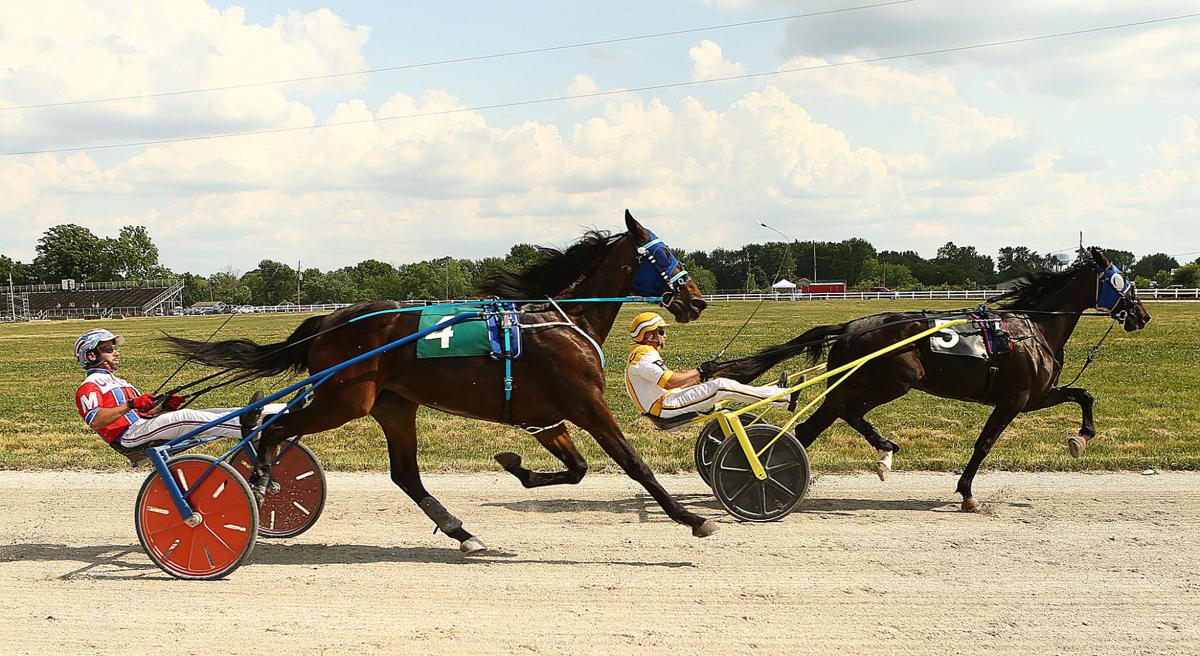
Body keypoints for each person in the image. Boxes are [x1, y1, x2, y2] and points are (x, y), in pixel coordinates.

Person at [72, 328, 270, 460]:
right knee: (185, 417)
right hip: (128, 436)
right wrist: (131, 404)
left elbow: (146, 414)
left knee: (207, 412)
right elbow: (96, 421)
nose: (115, 352)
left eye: (114, 348)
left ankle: (272, 414)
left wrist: (164, 406)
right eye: (108, 349)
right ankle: (250, 426)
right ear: (91, 355)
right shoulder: (88, 387)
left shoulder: (122, 382)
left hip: (141, 427)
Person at [624, 312, 797, 429]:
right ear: (649, 335)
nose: (665, 335)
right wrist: (699, 370)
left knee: (716, 384)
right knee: (721, 386)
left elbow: (669, 386)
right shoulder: (644, 356)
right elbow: (671, 381)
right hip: (665, 408)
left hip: (666, 401)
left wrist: (700, 377)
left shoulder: (642, 354)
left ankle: (774, 393)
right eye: (661, 331)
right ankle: (784, 398)